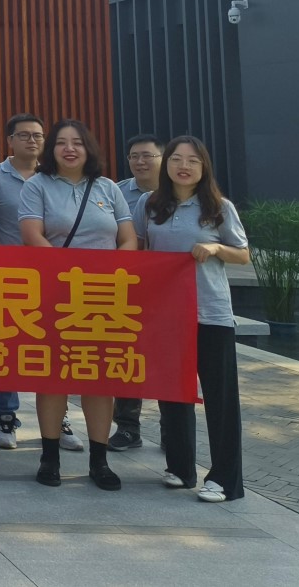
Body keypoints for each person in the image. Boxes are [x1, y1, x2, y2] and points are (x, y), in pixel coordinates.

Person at [20, 118, 138, 491]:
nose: (69, 149)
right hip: (55, 294)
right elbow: (32, 234)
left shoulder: (107, 188)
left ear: (89, 148)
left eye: (77, 142)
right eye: (61, 142)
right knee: (53, 376)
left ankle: (99, 460)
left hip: (103, 297)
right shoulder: (37, 185)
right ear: (51, 149)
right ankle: (49, 456)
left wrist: (109, 271)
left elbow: (128, 239)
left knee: (99, 378)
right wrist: (68, 273)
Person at [136, 136, 248, 502]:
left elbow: (243, 254)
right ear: (166, 164)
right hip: (166, 315)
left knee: (220, 398)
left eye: (193, 161)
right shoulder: (149, 204)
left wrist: (215, 247)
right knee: (173, 392)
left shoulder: (218, 206)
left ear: (204, 167)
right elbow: (139, 249)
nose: (184, 166)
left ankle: (225, 480)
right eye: (177, 159)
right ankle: (181, 468)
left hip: (210, 313)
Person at [0, 114, 48, 451]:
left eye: (37, 135)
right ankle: (6, 417)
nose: (32, 141)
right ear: (9, 141)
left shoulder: (53, 177)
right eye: (24, 135)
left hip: (49, 275)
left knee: (50, 348)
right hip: (6, 278)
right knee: (6, 349)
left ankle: (58, 418)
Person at [111, 133, 163, 451]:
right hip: (127, 289)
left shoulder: (182, 192)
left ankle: (173, 429)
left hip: (167, 292)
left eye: (147, 156)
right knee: (127, 357)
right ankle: (128, 428)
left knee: (168, 359)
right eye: (134, 156)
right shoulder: (116, 192)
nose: (140, 162)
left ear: (163, 158)